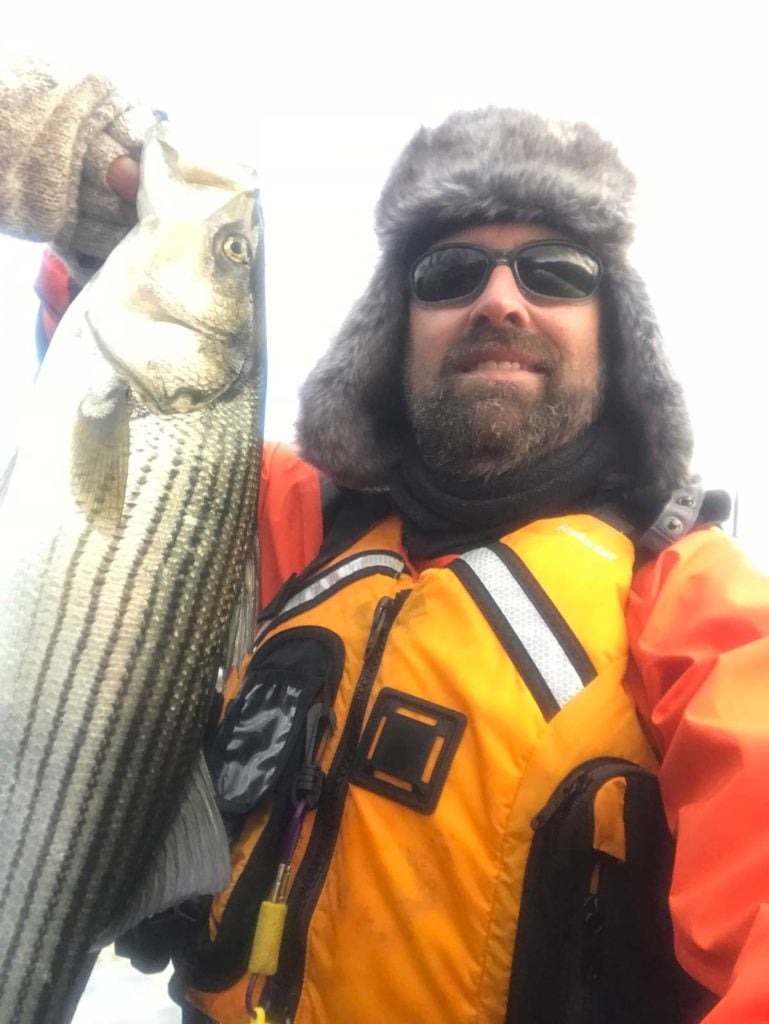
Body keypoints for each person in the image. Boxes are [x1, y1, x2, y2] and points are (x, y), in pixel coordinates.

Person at [2, 61, 769, 1024]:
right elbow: (124, 479)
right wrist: (101, 227)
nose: (499, 301)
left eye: (555, 273)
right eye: (448, 274)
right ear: (393, 331)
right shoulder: (299, 526)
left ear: (614, 333)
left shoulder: (700, 612)